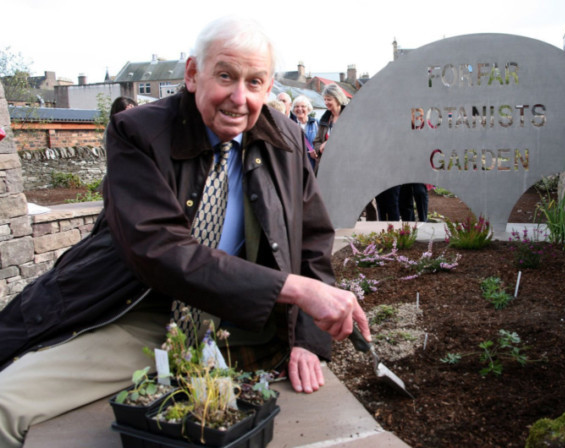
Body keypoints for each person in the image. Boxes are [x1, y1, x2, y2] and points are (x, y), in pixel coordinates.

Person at [0, 15, 370, 448]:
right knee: (5, 407)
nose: (239, 97)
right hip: (143, 314)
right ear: (193, 74)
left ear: (269, 88)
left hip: (241, 326)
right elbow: (160, 250)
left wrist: (308, 339)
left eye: (255, 82)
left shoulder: (286, 139)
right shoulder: (137, 132)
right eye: (226, 76)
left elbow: (311, 240)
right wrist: (296, 290)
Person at [312, 84, 348, 173]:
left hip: (346, 165)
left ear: (337, 99)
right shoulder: (325, 119)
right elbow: (316, 142)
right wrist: (320, 147)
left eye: (329, 99)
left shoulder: (350, 116)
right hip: (327, 166)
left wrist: (330, 143)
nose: (326, 102)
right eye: (325, 99)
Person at [291, 95, 318, 169]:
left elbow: (323, 141)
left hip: (313, 164)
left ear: (308, 108)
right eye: (297, 106)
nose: (300, 109)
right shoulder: (290, 125)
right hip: (296, 164)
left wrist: (317, 151)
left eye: (303, 106)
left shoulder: (316, 123)